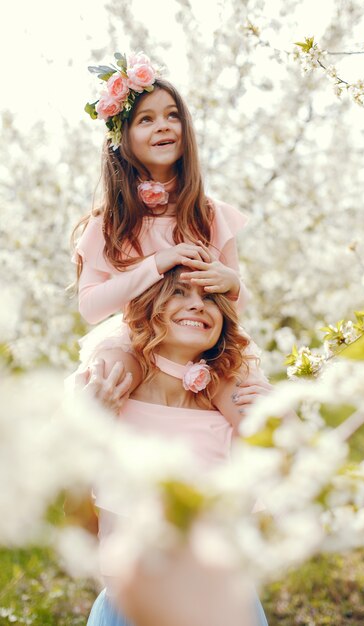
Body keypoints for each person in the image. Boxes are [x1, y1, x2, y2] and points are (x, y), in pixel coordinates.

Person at [73, 50, 269, 411]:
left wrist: (232, 283)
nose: (163, 125)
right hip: (138, 342)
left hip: (201, 346)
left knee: (250, 404)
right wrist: (158, 263)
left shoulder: (209, 214)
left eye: (172, 116)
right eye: (146, 119)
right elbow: (90, 307)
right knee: (103, 384)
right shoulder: (109, 223)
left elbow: (231, 307)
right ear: (123, 138)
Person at [83, 266, 269, 626]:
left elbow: (246, 510)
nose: (198, 305)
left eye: (210, 298)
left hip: (218, 605)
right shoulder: (115, 393)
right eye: (179, 293)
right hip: (130, 606)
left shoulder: (229, 407)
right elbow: (76, 491)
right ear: (149, 307)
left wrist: (272, 419)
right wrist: (91, 420)